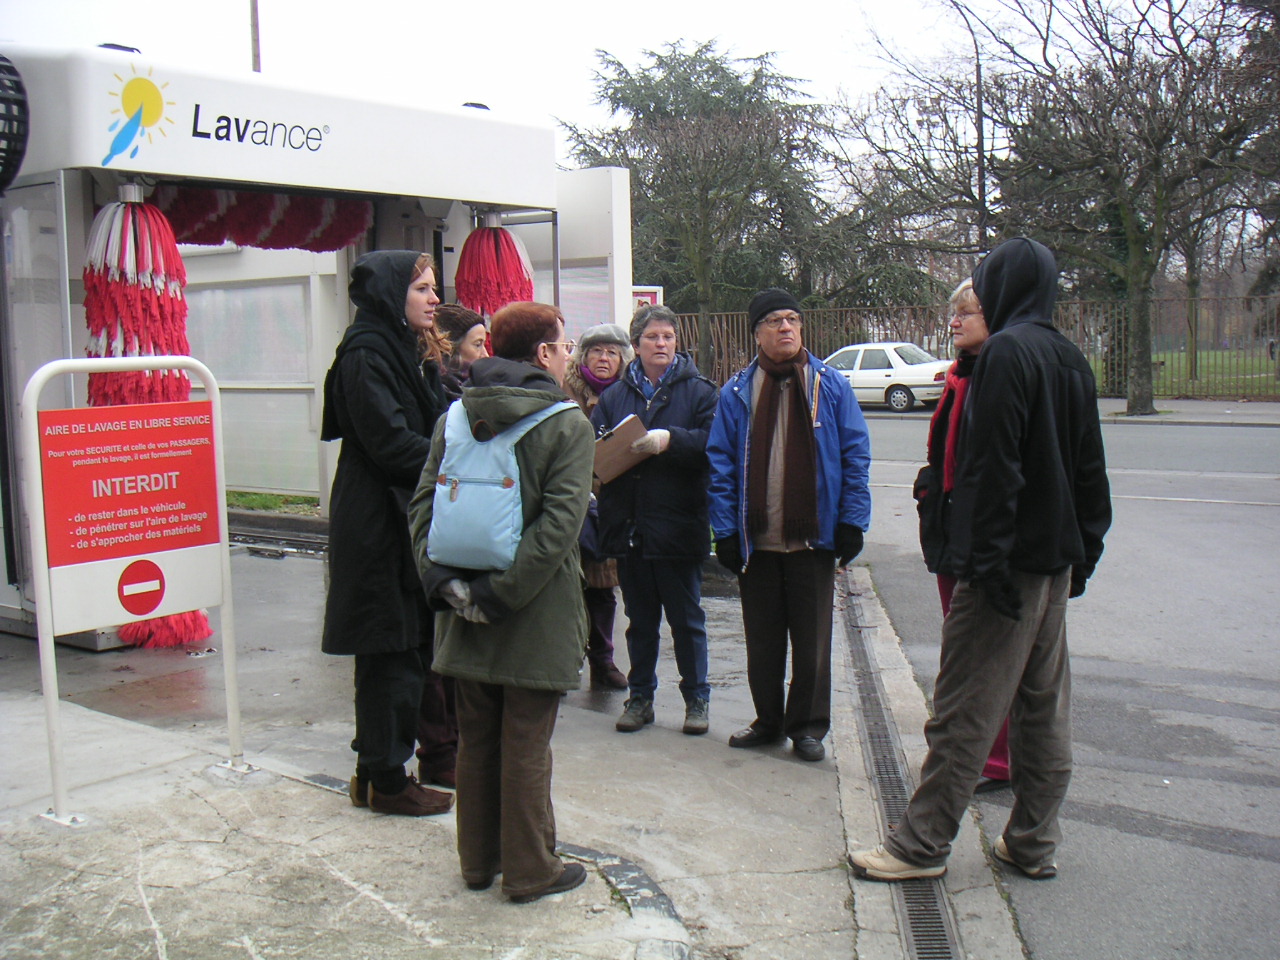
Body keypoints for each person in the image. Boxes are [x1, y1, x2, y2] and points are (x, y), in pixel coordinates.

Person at [850, 237, 1112, 882]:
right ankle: (1032, 842)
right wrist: (1083, 556)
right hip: (1054, 565)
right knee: (1041, 711)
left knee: (964, 709)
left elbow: (995, 470)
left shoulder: (1004, 354)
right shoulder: (1070, 358)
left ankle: (920, 846)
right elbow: (1090, 474)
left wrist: (987, 566)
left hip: (1005, 568)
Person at [409, 301, 595, 903]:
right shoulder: (567, 424)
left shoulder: (456, 416)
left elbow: (423, 506)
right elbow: (559, 528)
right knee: (526, 743)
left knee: (476, 739)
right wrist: (500, 595)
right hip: (532, 613)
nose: (568, 356)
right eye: (564, 346)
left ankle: (477, 862)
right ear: (542, 353)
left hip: (461, 609)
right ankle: (531, 870)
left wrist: (446, 584)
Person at [706, 288, 871, 763]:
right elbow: (720, 465)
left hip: (813, 538)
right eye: (774, 321)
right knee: (763, 641)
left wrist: (852, 521)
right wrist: (725, 531)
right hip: (757, 540)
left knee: (812, 642)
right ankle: (768, 721)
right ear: (756, 332)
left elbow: (855, 455)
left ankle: (808, 727)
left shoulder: (830, 386)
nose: (786, 328)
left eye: (793, 319)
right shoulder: (737, 391)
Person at [319, 250, 453, 817]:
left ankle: (374, 776)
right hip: (377, 523)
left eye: (433, 287)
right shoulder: (366, 353)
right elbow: (392, 444)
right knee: (389, 653)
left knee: (402, 652)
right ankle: (388, 782)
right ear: (391, 293)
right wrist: (457, 464)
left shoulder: (399, 347)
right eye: (421, 288)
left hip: (398, 517)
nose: (434, 298)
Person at [592, 305, 719, 736]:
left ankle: (696, 700)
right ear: (636, 344)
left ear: (677, 342)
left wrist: (671, 440)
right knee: (641, 622)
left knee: (687, 621)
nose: (661, 344)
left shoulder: (700, 392)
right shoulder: (614, 396)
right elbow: (596, 447)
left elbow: (714, 444)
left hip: (678, 524)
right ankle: (640, 698)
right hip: (631, 527)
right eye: (652, 337)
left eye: (668, 337)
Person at [915, 278, 1010, 792]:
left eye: (966, 313)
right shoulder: (959, 376)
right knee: (960, 648)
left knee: (984, 655)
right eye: (954, 312)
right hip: (950, 534)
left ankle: (996, 761)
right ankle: (968, 751)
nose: (955, 321)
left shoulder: (996, 379)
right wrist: (931, 491)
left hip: (978, 538)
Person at [562, 323, 634, 689]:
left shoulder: (628, 394)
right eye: (596, 351)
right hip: (567, 500)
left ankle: (603, 661)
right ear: (583, 356)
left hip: (610, 501)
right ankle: (566, 661)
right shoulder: (564, 391)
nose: (603, 358)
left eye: (611, 352)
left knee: (603, 589)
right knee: (567, 587)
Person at [434, 303, 489, 400]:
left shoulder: (483, 385)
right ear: (451, 348)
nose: (486, 355)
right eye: (477, 345)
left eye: (483, 345)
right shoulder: (437, 392)